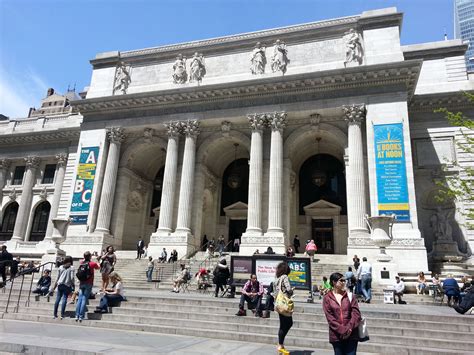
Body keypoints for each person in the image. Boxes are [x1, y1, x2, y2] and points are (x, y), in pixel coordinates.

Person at [323, 272, 362, 355]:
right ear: (334, 282)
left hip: (351, 334)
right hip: (336, 335)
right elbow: (330, 318)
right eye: (341, 280)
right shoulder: (327, 298)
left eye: (344, 280)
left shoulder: (350, 296)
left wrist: (349, 329)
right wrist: (342, 330)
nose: (344, 282)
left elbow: (356, 314)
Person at [75, 251, 100, 322]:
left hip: (81, 283)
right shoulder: (92, 263)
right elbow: (98, 267)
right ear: (90, 257)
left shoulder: (82, 263)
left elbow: (83, 261)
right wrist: (97, 260)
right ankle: (81, 316)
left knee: (79, 299)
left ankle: (76, 315)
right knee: (84, 299)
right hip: (89, 283)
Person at [275, 261, 293, 354]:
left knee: (282, 325)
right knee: (289, 323)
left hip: (279, 304)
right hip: (284, 304)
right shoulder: (285, 277)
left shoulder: (277, 279)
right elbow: (288, 289)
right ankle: (280, 344)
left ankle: (280, 345)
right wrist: (291, 292)